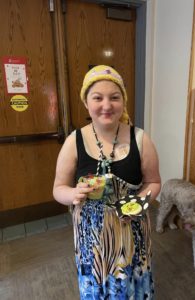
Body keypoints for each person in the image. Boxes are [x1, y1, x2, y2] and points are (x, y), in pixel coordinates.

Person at [53, 65, 161, 299]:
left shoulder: (140, 138)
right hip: (92, 242)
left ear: (123, 100)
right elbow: (58, 189)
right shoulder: (74, 141)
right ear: (86, 102)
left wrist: (139, 202)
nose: (106, 105)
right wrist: (73, 194)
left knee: (131, 286)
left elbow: (153, 182)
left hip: (132, 235)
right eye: (97, 98)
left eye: (114, 97)